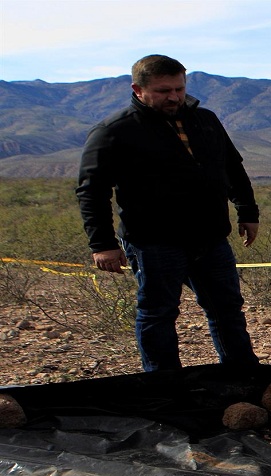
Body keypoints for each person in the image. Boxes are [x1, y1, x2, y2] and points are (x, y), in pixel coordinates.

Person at [76, 55, 260, 372]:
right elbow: (91, 190)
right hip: (154, 241)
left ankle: (242, 373)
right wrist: (102, 244)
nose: (174, 96)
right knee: (158, 313)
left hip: (211, 237)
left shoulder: (205, 120)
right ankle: (164, 385)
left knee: (227, 308)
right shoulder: (114, 131)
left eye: (179, 88)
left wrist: (247, 210)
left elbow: (231, 168)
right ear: (138, 89)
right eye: (163, 91)